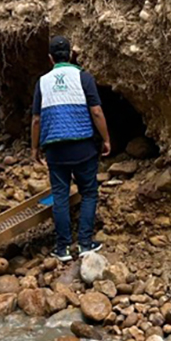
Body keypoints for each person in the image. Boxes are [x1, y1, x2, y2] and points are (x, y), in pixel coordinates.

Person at [31, 36, 111, 261]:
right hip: (83, 146)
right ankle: (85, 243)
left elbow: (36, 119)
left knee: (60, 196)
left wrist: (34, 148)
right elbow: (96, 111)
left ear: (50, 58)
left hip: (55, 149)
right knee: (89, 193)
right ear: (70, 55)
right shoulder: (84, 77)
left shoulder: (42, 82)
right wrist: (106, 138)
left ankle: (62, 248)